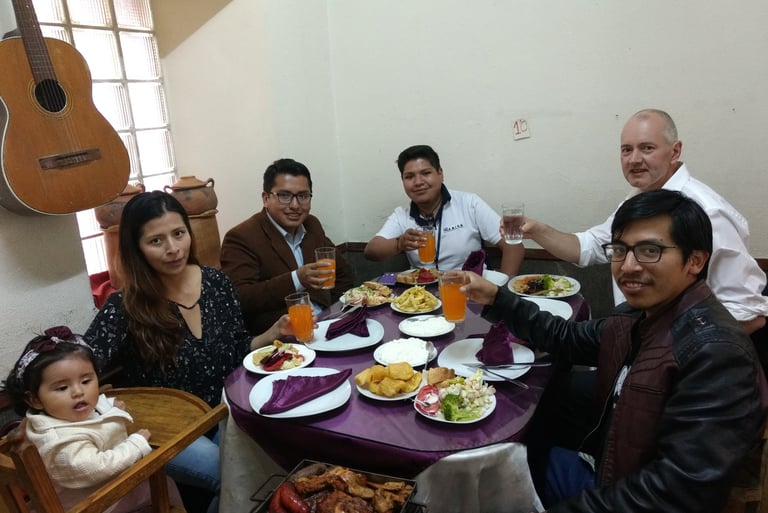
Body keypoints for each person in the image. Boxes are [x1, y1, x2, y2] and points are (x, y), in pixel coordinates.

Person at [461, 189, 768, 512]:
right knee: (507, 458)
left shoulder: (717, 355)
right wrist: (497, 297)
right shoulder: (641, 317)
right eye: (620, 250)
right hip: (610, 465)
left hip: (623, 491)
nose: (629, 266)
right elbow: (566, 337)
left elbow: (675, 495)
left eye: (650, 250)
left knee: (492, 483)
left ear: (695, 260)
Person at [85, 191, 292, 513]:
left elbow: (235, 348)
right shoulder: (126, 306)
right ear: (136, 248)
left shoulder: (217, 283)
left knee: (278, 458)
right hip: (167, 430)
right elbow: (80, 367)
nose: (173, 248)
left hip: (226, 412)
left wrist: (272, 333)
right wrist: (104, 407)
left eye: (178, 233)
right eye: (156, 241)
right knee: (236, 476)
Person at [522, 108, 768, 334]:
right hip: (635, 340)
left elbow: (747, 314)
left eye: (647, 148)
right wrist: (537, 231)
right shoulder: (641, 196)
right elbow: (592, 246)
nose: (634, 159)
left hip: (680, 364)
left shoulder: (708, 212)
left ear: (675, 151)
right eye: (626, 150)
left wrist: (666, 353)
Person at [1, 326, 184, 513]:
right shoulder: (59, 443)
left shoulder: (58, 412)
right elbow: (98, 468)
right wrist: (136, 444)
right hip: (93, 503)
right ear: (35, 399)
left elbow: (92, 407)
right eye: (62, 388)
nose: (79, 392)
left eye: (86, 381)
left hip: (93, 491)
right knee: (163, 482)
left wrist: (110, 407)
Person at [220, 158, 354, 335]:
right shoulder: (242, 237)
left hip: (325, 325)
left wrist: (336, 314)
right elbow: (241, 298)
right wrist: (297, 279)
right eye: (284, 196)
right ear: (266, 198)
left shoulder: (311, 225)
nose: (295, 206)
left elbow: (344, 275)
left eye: (303, 196)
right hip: (283, 339)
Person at [364, 144, 523, 276]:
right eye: (409, 176)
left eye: (426, 173)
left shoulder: (469, 203)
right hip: (421, 296)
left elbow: (513, 245)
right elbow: (371, 251)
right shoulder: (402, 214)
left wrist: (503, 293)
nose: (418, 182)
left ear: (440, 174)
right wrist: (399, 243)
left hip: (470, 290)